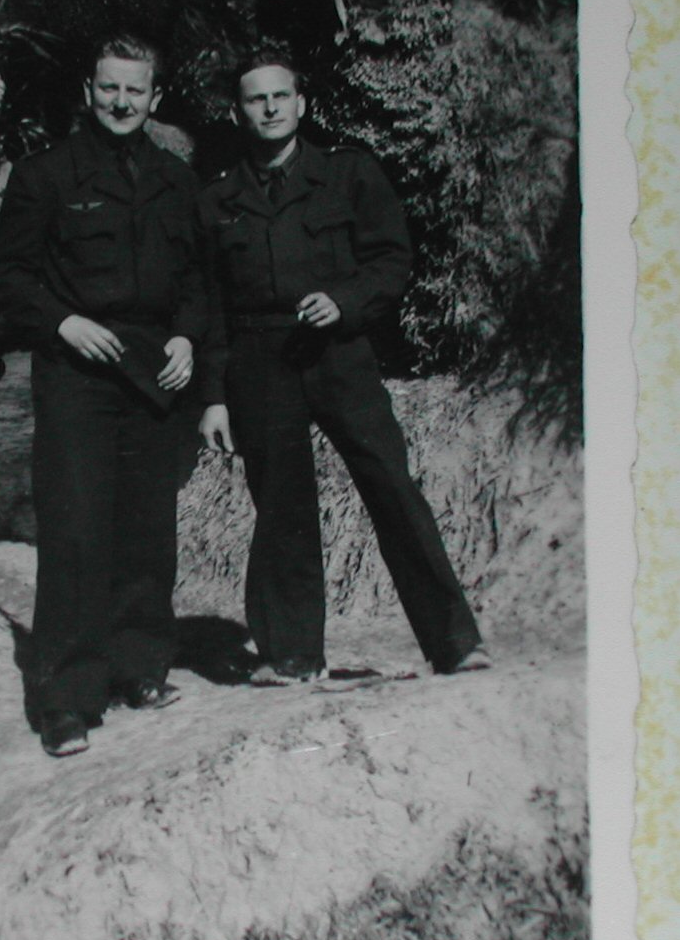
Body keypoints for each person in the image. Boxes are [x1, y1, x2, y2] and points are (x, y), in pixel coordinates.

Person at [198, 44, 488, 684]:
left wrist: (346, 301)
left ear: (301, 103)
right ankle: (291, 655)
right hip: (259, 361)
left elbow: (390, 259)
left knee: (391, 486)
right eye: (255, 99)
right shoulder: (217, 199)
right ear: (237, 112)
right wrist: (213, 395)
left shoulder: (348, 173)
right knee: (281, 506)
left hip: (339, 353)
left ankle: (455, 642)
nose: (270, 108)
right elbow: (210, 307)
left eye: (281, 95)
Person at [0, 36, 206, 756]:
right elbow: (7, 276)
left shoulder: (176, 180)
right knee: (77, 531)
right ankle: (67, 699)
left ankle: (140, 668)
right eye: (109, 87)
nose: (121, 101)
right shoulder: (44, 174)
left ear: (155, 98)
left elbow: (198, 280)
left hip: (155, 373)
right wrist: (63, 323)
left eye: (135, 90)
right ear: (89, 90)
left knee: (146, 529)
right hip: (76, 372)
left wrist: (186, 337)